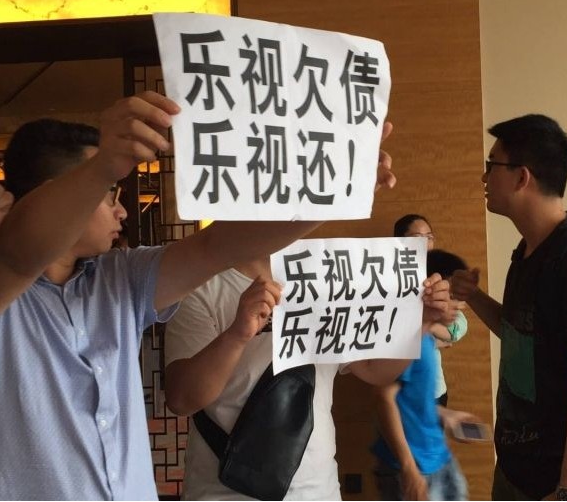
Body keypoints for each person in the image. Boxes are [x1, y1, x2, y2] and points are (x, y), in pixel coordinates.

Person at [0, 91, 397, 500]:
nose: (122, 210)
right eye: (110, 194)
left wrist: (340, 187)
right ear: (57, 192)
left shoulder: (119, 278)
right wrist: (105, 165)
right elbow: (18, 255)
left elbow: (218, 246)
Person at [163, 248, 455, 500]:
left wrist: (420, 323)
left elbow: (373, 370)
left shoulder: (330, 278)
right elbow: (181, 399)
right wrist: (237, 334)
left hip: (318, 489)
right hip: (224, 492)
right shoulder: (202, 287)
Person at [450, 114, 567, 500]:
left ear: (521, 177)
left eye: (491, 165)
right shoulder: (528, 251)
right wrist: (474, 296)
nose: (483, 177)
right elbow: (523, 336)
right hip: (518, 472)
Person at [370, 248, 476, 501]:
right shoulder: (404, 336)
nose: (460, 305)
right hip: (412, 467)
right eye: (453, 296)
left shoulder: (426, 336)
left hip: (438, 459)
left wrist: (446, 415)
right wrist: (408, 469)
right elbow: (384, 400)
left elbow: (409, 400)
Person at [393, 215, 468, 405]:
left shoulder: (439, 276)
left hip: (433, 388)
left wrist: (430, 326)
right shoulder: (385, 281)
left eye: (429, 237)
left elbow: (457, 328)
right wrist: (431, 333)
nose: (425, 243)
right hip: (396, 384)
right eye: (418, 237)